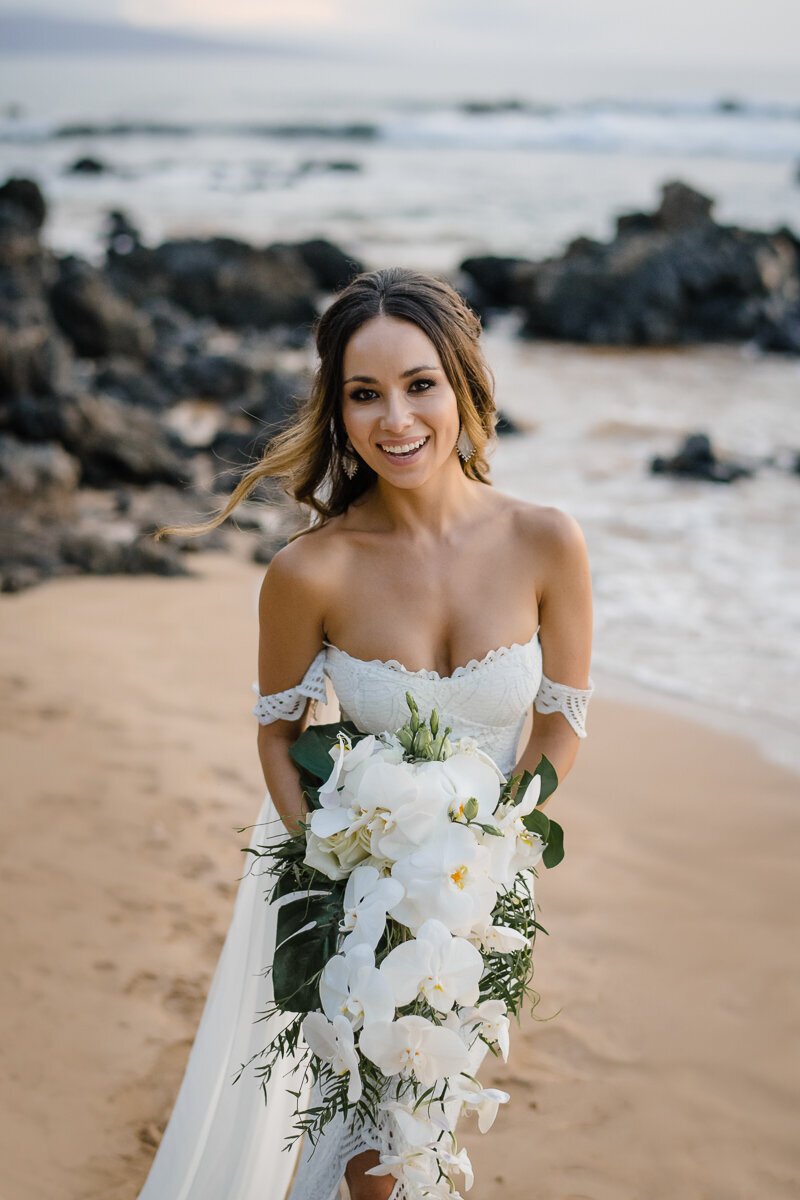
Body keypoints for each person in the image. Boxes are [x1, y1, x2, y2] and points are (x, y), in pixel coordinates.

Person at [139, 267, 593, 1200]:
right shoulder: (312, 572)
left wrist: (499, 841)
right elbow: (278, 733)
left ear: (464, 384)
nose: (397, 420)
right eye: (364, 394)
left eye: (420, 384)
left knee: (422, 1124)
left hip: (479, 893)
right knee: (372, 1157)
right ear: (338, 412)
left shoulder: (547, 541)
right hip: (353, 894)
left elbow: (560, 718)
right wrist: (340, 862)